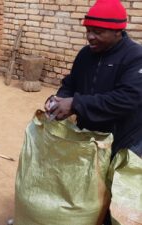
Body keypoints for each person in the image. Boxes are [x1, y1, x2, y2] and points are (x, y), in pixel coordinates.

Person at [44, 0, 142, 224]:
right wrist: (60, 99)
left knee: (113, 193)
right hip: (89, 137)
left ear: (118, 32)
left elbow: (126, 100)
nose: (90, 37)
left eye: (98, 32)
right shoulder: (85, 54)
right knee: (85, 187)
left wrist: (76, 104)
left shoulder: (135, 57)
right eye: (88, 31)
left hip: (123, 140)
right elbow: (71, 83)